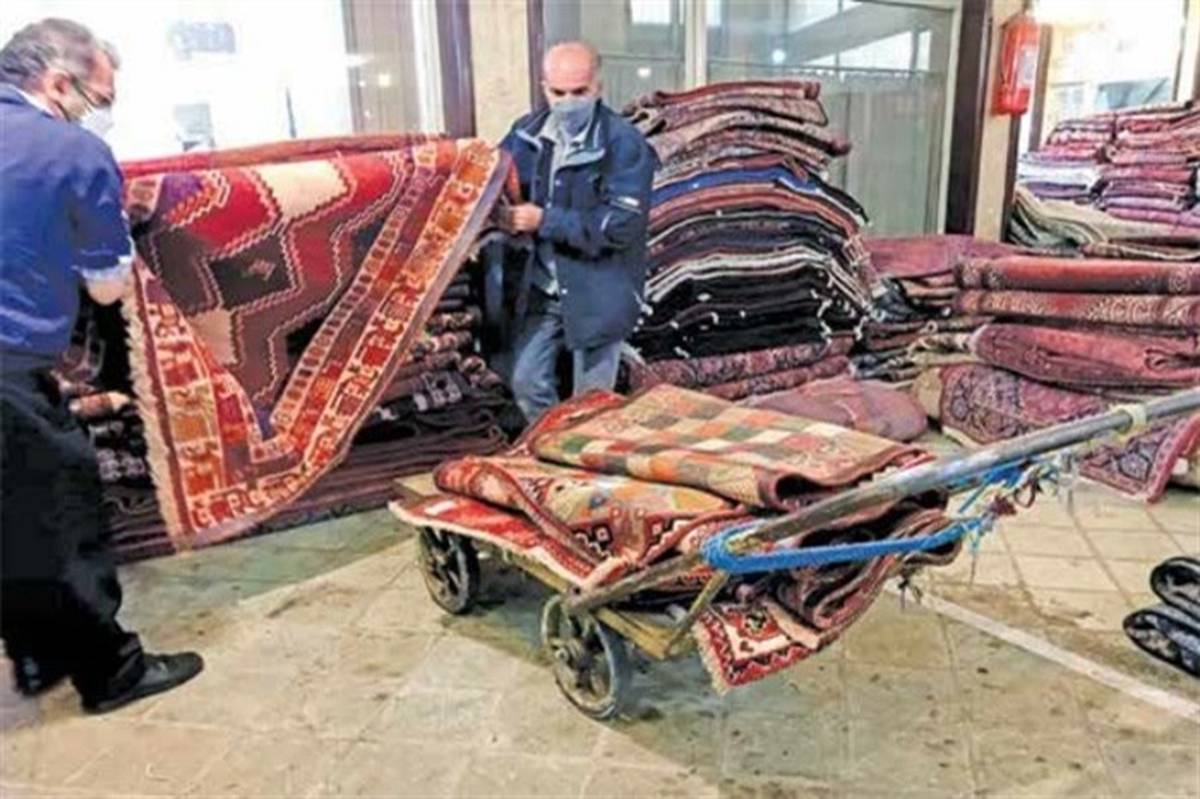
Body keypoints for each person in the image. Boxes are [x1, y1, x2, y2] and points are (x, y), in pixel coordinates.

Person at [0, 18, 203, 713]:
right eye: (99, 99)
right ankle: (112, 672)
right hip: (7, 361)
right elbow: (109, 286)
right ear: (58, 83)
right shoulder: (71, 150)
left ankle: (36, 657)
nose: (100, 115)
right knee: (60, 518)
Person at [498, 40, 657, 423]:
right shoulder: (525, 134)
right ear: (544, 88)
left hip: (600, 289)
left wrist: (543, 220)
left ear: (598, 87)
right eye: (558, 93)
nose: (568, 102)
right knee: (525, 382)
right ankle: (555, 444)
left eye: (579, 92)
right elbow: (492, 177)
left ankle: (587, 455)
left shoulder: (624, 144)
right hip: (543, 287)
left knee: (593, 404)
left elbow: (620, 226)